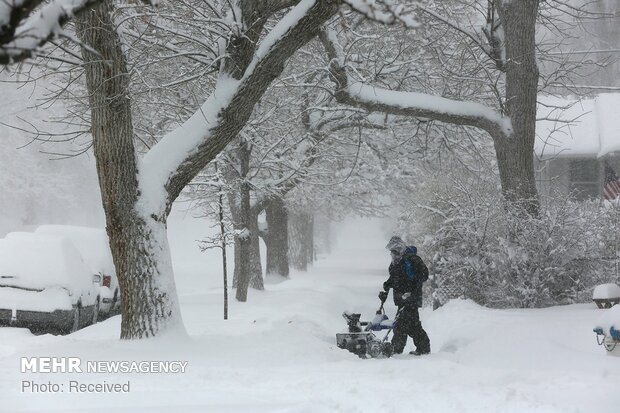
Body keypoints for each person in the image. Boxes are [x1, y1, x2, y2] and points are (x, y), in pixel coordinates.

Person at [379, 235, 431, 355]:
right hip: (402, 300)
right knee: (406, 325)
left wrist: (412, 290)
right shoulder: (396, 263)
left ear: (400, 249)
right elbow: (395, 278)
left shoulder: (412, 259)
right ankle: (410, 349)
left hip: (411, 298)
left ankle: (398, 349)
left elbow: (424, 275)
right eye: (392, 252)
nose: (392, 254)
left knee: (407, 325)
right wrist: (387, 285)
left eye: (394, 251)